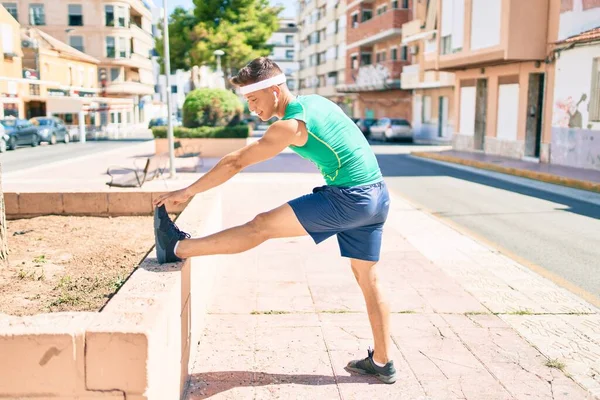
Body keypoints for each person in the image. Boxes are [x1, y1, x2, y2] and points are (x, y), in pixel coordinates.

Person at [153, 57, 396, 384]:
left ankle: (178, 248)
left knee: (261, 225)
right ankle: (383, 362)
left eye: (253, 99)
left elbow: (236, 162)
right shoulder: (315, 102)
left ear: (273, 90)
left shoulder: (289, 126)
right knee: (369, 279)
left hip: (349, 198)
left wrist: (187, 191)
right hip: (378, 194)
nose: (251, 107)